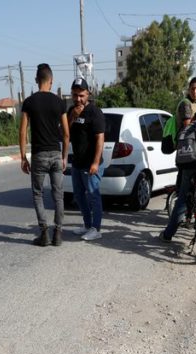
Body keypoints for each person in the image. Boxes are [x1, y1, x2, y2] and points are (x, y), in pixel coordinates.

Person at [19, 64, 69, 247]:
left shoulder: (30, 102)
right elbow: (66, 133)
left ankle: (44, 233)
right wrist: (64, 157)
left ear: (36, 80)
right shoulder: (59, 102)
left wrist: (23, 156)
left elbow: (23, 131)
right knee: (58, 195)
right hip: (56, 154)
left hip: (39, 155)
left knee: (38, 194)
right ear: (52, 80)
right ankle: (58, 233)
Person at [159, 77, 196, 242]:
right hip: (186, 151)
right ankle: (178, 220)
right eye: (192, 88)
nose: (194, 91)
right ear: (188, 88)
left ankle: (183, 214)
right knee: (185, 190)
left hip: (190, 150)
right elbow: (188, 125)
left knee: (188, 186)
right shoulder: (186, 104)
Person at [67, 77, 106, 242]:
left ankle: (96, 229)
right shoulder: (71, 111)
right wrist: (72, 118)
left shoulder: (95, 112)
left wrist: (96, 163)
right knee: (78, 196)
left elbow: (100, 138)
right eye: (75, 95)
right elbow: (64, 133)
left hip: (91, 164)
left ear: (88, 93)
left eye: (81, 95)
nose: (78, 99)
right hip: (77, 163)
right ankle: (87, 224)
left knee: (93, 196)